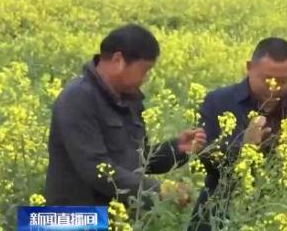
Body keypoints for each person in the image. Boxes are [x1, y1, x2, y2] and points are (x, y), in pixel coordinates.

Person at [45, 24, 206, 209]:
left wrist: (176, 148)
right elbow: (97, 169)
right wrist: (160, 190)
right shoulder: (77, 98)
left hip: (118, 216)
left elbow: (137, 159)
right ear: (118, 60)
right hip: (72, 218)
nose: (145, 78)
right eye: (144, 71)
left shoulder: (129, 99)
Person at [188, 37, 287, 231]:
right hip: (218, 215)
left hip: (279, 219)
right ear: (249, 67)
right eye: (267, 80)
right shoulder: (218, 102)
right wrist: (244, 147)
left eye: (282, 81)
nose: (274, 88)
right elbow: (201, 163)